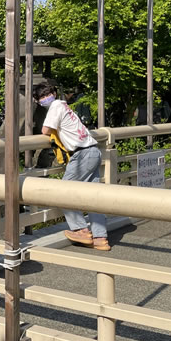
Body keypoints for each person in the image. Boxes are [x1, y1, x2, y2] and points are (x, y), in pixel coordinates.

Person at [33, 81, 110, 251]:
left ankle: (81, 230)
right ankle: (100, 238)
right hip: (93, 151)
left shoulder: (55, 106)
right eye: (42, 97)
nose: (45, 99)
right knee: (92, 197)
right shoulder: (64, 105)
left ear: (53, 94)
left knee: (63, 192)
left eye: (47, 95)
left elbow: (45, 130)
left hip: (82, 154)